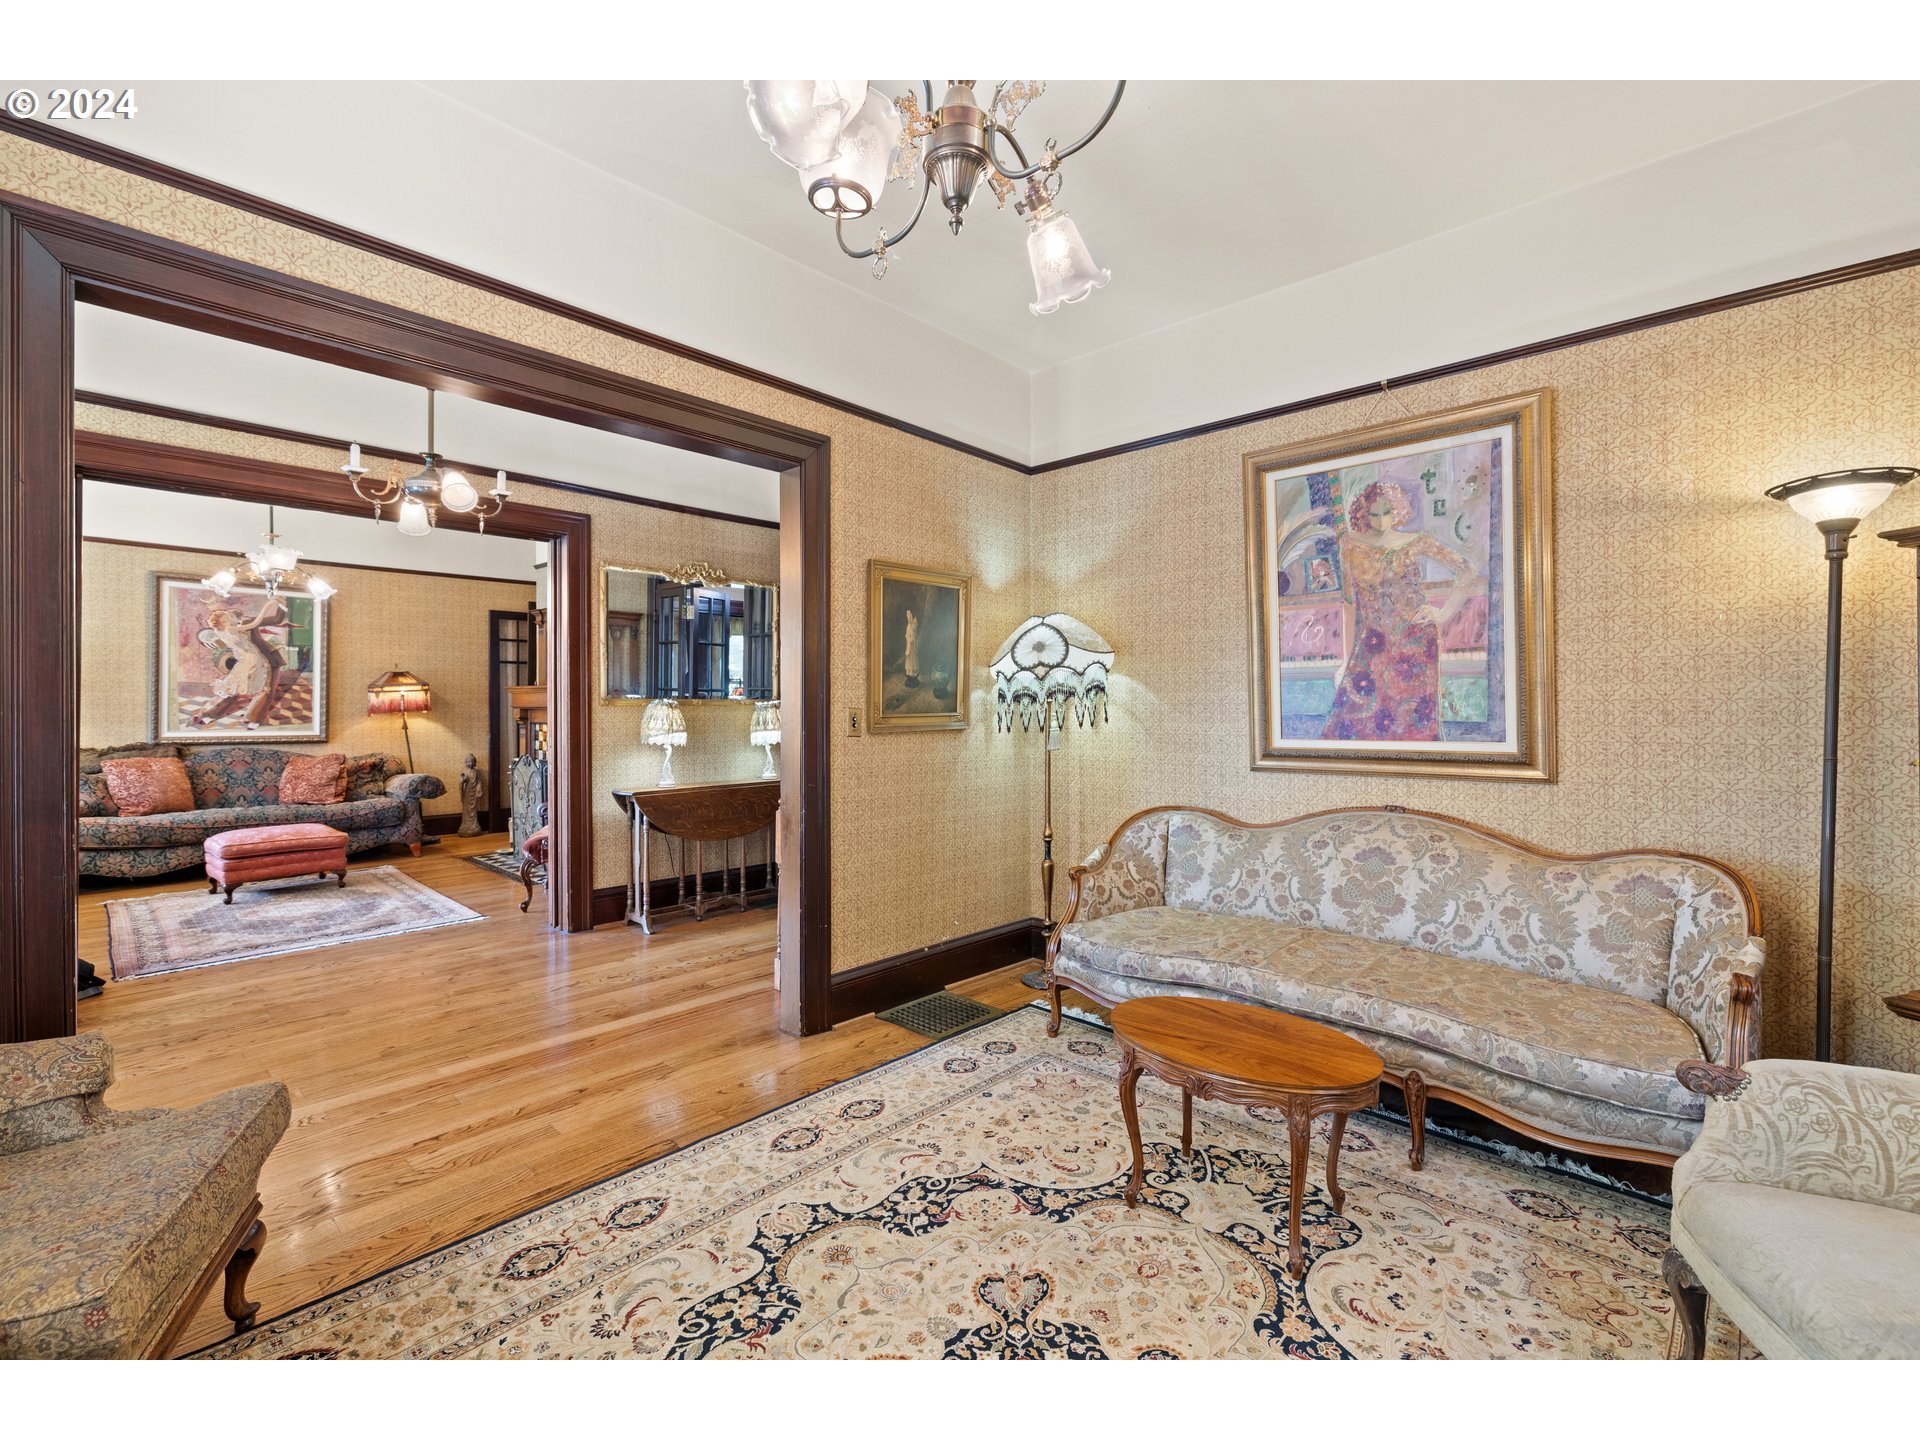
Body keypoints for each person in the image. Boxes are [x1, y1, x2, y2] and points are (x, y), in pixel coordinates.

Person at [1322, 480, 1476, 743]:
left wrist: (1443, 613)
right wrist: (1345, 661)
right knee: (1352, 721)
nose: (1381, 521)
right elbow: (1349, 604)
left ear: (1397, 510)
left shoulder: (1416, 541)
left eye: (1387, 512)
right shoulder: (1350, 545)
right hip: (1374, 641)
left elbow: (1467, 570)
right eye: (1374, 514)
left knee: (1413, 722)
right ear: (1363, 513)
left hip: (1416, 641)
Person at [190, 598, 289, 730]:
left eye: (231, 615)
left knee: (260, 691)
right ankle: (210, 714)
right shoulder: (231, 628)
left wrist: (282, 606)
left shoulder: (244, 622)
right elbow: (221, 642)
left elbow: (276, 619)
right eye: (228, 615)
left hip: (266, 658)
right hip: (249, 660)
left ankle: (253, 718)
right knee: (238, 690)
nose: (231, 617)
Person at [900, 608, 921, 689]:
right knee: (909, 661)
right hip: (909, 648)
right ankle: (909, 672)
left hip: (912, 648)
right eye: (907, 618)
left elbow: (913, 638)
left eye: (909, 618)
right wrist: (907, 637)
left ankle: (913, 673)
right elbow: (906, 635)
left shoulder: (912, 627)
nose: (908, 619)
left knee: (913, 661)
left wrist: (910, 638)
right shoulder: (908, 626)